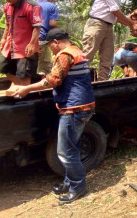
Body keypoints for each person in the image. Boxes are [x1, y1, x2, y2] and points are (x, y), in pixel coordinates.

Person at [12, 28, 95, 204]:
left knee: (65, 151)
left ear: (56, 42)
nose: (49, 49)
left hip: (74, 108)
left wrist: (27, 88)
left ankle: (78, 187)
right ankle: (69, 182)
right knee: (72, 147)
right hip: (82, 106)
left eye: (49, 45)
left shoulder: (65, 55)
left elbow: (54, 80)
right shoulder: (76, 51)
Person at [81, 0, 137, 81]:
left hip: (108, 26)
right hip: (97, 24)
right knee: (87, 55)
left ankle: (103, 82)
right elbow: (115, 11)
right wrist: (132, 24)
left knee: (107, 58)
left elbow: (116, 16)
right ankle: (77, 82)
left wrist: (130, 25)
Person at [0, 0, 42, 86]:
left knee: (24, 75)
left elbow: (37, 27)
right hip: (11, 45)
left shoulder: (32, 6)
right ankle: (21, 88)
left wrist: (31, 44)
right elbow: (7, 24)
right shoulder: (7, 6)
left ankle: (24, 93)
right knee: (2, 67)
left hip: (25, 47)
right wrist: (3, 39)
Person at [37, 0, 60, 74]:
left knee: (30, 66)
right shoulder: (51, 6)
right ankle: (44, 87)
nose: (54, 0)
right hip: (41, 40)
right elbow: (52, 24)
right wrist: (59, 36)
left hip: (28, 41)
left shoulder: (31, 5)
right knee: (44, 68)